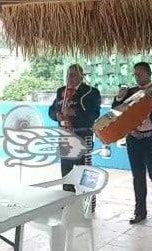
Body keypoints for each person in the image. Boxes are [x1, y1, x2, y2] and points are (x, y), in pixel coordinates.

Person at [112, 62, 152, 226]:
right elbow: (115, 111)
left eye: (139, 74)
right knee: (138, 177)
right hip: (133, 138)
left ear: (148, 74)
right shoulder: (131, 92)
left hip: (150, 137)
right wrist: (119, 97)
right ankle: (140, 212)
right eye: (135, 74)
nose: (136, 77)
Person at [48, 64, 101, 210]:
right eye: (68, 75)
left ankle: (88, 205)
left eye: (73, 75)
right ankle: (68, 204)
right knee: (66, 171)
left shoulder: (91, 92)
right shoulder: (61, 91)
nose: (70, 78)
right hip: (65, 136)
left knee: (85, 172)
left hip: (83, 135)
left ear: (81, 76)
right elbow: (51, 110)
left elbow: (94, 115)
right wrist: (56, 115)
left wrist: (74, 112)